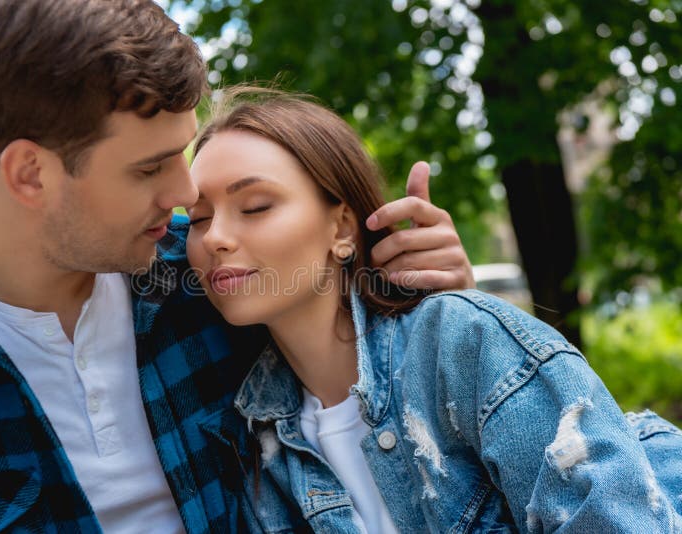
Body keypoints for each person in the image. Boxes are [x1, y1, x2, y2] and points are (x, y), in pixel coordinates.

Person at [0, 1, 475, 532]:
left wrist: (432, 296)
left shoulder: (214, 284)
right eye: (149, 168)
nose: (186, 192)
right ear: (31, 174)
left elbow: (374, 384)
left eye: (183, 154)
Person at [184, 88, 682, 533]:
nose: (216, 238)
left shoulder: (461, 343)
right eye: (199, 218)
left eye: (254, 206)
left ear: (341, 228)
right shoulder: (254, 446)